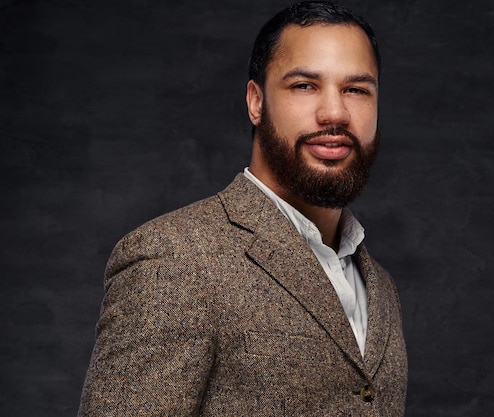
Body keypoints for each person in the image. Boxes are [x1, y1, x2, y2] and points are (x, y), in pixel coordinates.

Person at [78, 1, 407, 416]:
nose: (335, 113)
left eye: (356, 89)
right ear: (256, 101)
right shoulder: (173, 258)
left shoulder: (379, 286)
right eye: (304, 85)